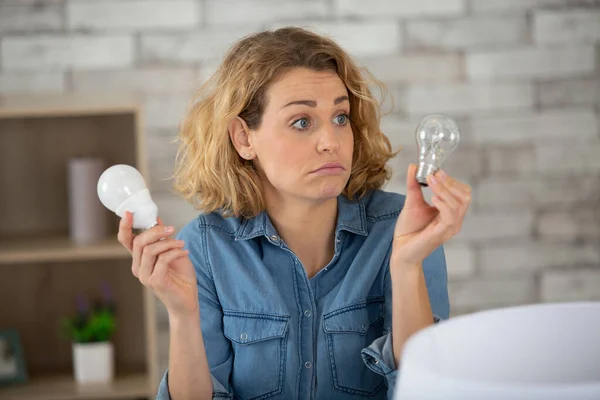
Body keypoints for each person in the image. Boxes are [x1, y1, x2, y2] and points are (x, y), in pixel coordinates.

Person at [117, 27, 471, 400]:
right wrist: (182, 316)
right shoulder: (203, 249)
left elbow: (425, 391)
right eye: (302, 122)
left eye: (340, 117)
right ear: (243, 138)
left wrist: (407, 267)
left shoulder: (404, 229)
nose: (330, 142)